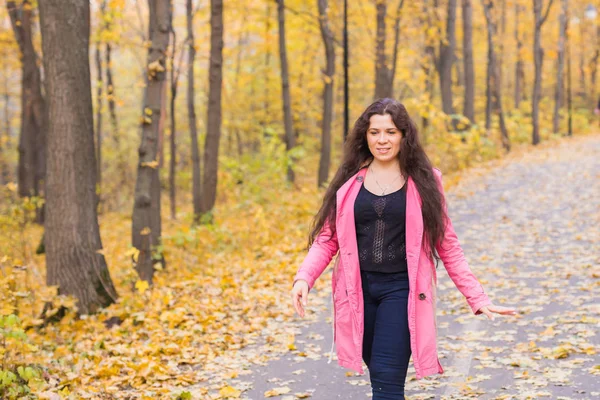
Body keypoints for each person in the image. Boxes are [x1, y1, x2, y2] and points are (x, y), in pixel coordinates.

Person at [290, 98, 517, 399]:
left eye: (391, 132)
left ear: (404, 135)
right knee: (379, 377)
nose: (382, 140)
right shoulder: (350, 181)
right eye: (374, 132)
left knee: (387, 378)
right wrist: (304, 277)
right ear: (365, 135)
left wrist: (476, 296)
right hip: (356, 291)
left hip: (402, 290)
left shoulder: (424, 181)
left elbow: (447, 243)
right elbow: (327, 238)